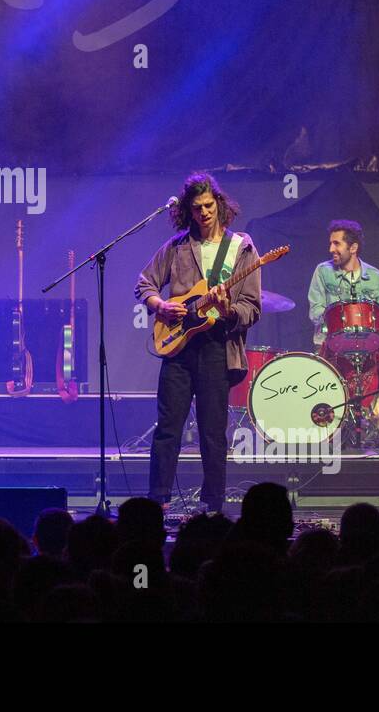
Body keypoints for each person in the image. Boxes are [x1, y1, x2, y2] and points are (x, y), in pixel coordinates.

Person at [135, 172, 261, 512]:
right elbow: (145, 284)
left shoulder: (242, 247)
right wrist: (159, 305)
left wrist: (228, 309)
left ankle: (213, 506)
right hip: (177, 347)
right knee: (168, 429)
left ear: (218, 204)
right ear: (188, 211)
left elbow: (252, 308)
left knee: (212, 434)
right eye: (196, 208)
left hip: (217, 347)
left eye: (208, 206)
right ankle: (157, 502)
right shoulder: (176, 247)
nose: (203, 213)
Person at [307, 220, 379, 438]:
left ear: (353, 247)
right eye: (330, 243)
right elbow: (314, 311)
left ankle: (369, 426)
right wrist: (334, 319)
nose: (331, 249)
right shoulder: (323, 271)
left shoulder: (375, 276)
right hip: (329, 347)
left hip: (366, 351)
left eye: (336, 244)